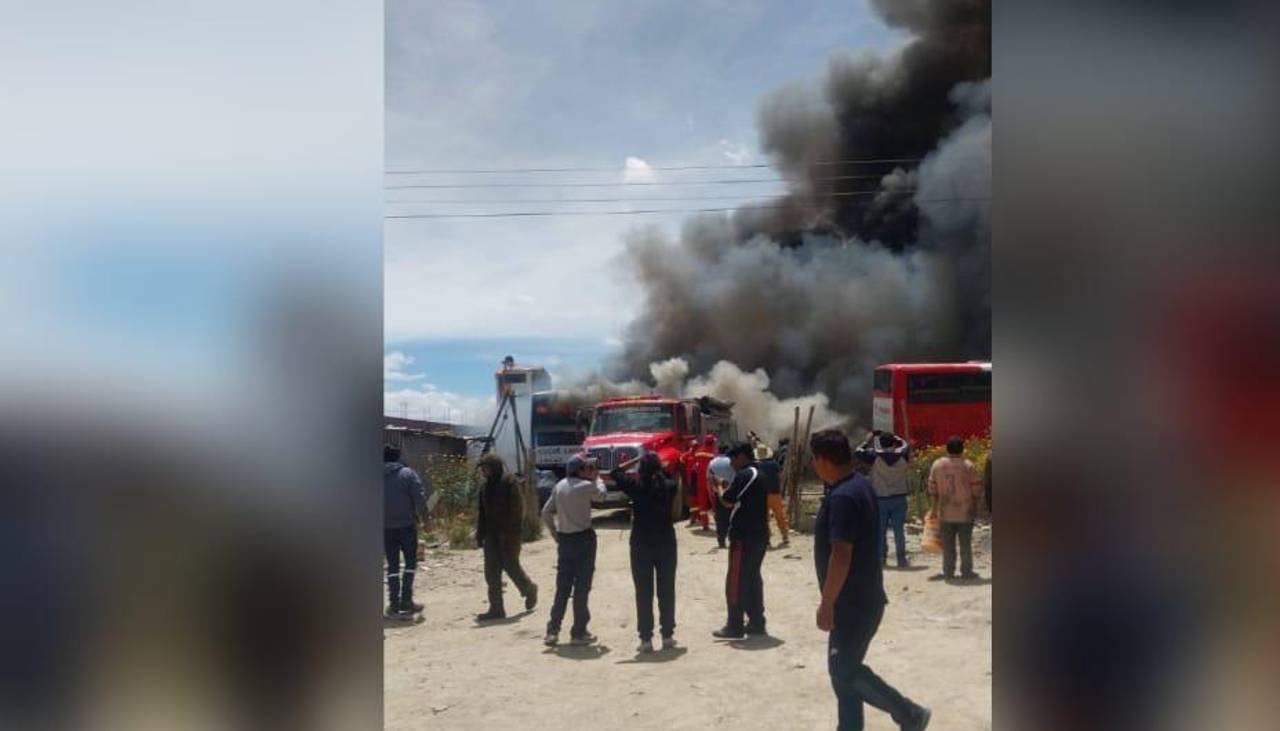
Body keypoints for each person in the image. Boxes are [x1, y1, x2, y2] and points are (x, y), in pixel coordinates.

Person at [810, 429, 932, 731]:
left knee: (844, 668)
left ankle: (909, 713)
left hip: (853, 603)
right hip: (860, 599)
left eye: (814, 459)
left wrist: (826, 604)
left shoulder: (844, 496)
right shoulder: (859, 485)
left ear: (824, 459)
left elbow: (841, 554)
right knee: (842, 673)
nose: (814, 465)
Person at [611, 452, 679, 653]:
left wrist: (636, 459)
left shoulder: (637, 487)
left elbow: (615, 471)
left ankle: (646, 639)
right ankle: (667, 636)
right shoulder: (669, 486)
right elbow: (669, 476)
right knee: (666, 590)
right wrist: (659, 466)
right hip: (666, 542)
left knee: (644, 592)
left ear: (641, 469)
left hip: (642, 544)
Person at [540, 455, 607, 646]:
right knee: (581, 588)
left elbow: (545, 512)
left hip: (565, 540)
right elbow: (602, 496)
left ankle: (553, 630)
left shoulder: (559, 486)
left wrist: (555, 534)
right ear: (580, 470)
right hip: (584, 540)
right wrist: (598, 479)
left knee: (562, 588)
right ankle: (578, 632)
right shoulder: (586, 486)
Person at [713, 441, 769, 639]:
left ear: (742, 457)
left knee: (736, 580)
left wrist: (720, 487)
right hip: (758, 534)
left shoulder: (747, 474)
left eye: (733, 459)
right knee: (752, 578)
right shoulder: (759, 473)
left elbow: (727, 500)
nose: (731, 464)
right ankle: (756, 622)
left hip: (744, 536)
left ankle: (734, 625)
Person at [475, 452, 538, 621]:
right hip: (491, 535)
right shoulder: (484, 487)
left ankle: (529, 589)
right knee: (491, 572)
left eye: (485, 468)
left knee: (511, 566)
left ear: (494, 468)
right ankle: (496, 609)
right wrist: (480, 534)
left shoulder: (509, 482)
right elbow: (482, 512)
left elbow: (517, 511)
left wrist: (510, 533)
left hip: (508, 535)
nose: (483, 472)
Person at [927, 436, 984, 581]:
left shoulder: (937, 465)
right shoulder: (968, 466)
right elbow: (976, 490)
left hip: (945, 511)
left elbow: (932, 489)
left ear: (947, 449)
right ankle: (966, 572)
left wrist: (934, 509)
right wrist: (977, 508)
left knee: (948, 545)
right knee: (965, 544)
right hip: (965, 511)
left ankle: (948, 572)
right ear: (962, 449)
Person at [384, 444, 431, 618]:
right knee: (410, 564)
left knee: (393, 566)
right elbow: (419, 498)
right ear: (398, 457)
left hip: (385, 529)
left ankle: (394, 604)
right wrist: (427, 521)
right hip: (406, 528)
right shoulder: (407, 474)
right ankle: (407, 600)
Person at [856, 431, 912, 568]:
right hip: (899, 496)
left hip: (880, 498)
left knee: (880, 531)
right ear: (894, 442)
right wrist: (897, 436)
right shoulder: (903, 455)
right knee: (899, 531)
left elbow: (858, 451)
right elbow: (906, 445)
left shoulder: (874, 456)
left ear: (880, 443)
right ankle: (901, 559)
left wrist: (868, 439)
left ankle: (881, 559)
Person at [755, 443, 790, 548]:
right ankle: (785, 537)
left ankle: (767, 540)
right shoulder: (774, 464)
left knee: (764, 519)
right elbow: (781, 477)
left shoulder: (757, 465)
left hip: (762, 495)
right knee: (780, 516)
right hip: (775, 493)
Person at [687, 434, 718, 530]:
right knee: (715, 502)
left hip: (700, 481)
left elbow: (694, 467)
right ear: (712, 442)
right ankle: (720, 524)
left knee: (702, 503)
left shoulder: (698, 453)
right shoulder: (714, 453)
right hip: (711, 481)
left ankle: (705, 525)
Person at [707, 447, 735, 549]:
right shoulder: (733, 462)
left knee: (720, 518)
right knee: (734, 517)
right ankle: (734, 540)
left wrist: (711, 494)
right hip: (733, 492)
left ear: (718, 451)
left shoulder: (712, 462)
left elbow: (709, 480)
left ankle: (721, 540)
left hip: (718, 494)